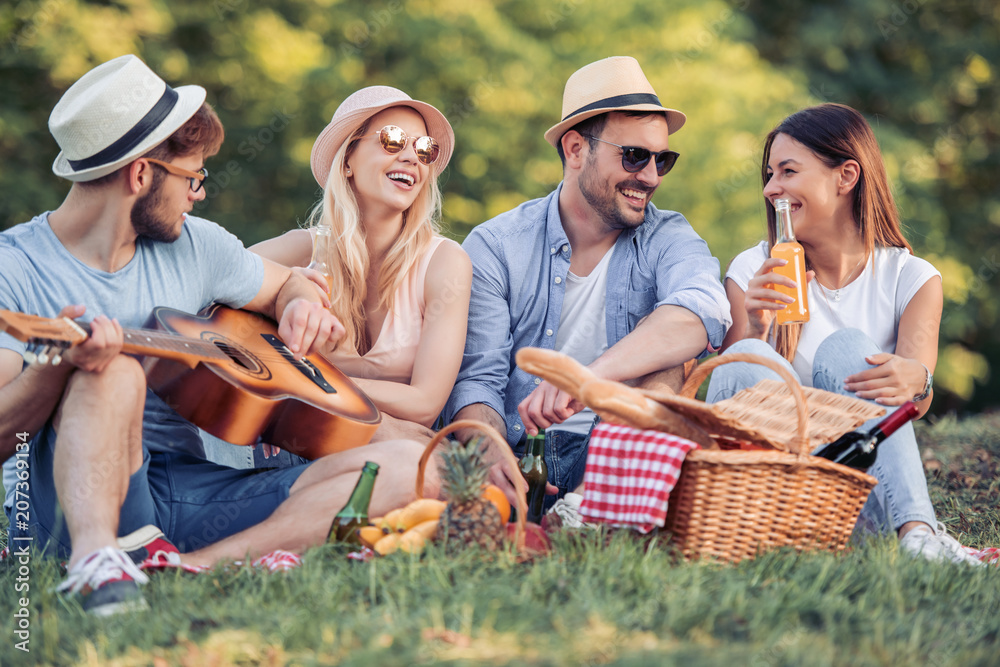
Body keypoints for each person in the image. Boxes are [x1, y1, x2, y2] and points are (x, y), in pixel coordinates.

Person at [0, 55, 438, 617]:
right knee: (109, 371)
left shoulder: (196, 244)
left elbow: (285, 287)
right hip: (62, 503)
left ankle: (191, 567)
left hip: (185, 492)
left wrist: (302, 306)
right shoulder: (16, 266)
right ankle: (97, 564)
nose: (199, 194)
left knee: (401, 465)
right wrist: (58, 367)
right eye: (193, 177)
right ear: (140, 175)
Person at [443, 56, 731, 521]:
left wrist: (586, 379)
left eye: (664, 159)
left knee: (668, 361)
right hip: (521, 453)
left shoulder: (670, 237)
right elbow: (478, 379)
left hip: (616, 451)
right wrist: (489, 456)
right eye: (635, 156)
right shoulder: (496, 245)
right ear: (576, 149)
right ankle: (561, 516)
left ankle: (593, 506)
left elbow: (700, 314)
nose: (652, 177)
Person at [707, 102, 982, 566]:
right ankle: (898, 534)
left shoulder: (910, 279)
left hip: (859, 502)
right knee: (750, 353)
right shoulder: (755, 269)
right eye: (770, 173)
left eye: (788, 171)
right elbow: (725, 392)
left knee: (848, 348)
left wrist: (918, 378)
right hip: (770, 499)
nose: (772, 187)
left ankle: (916, 534)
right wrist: (755, 328)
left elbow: (915, 396)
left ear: (846, 176)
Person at [251, 86, 471, 444]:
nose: (412, 158)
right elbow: (216, 274)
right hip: (299, 446)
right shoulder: (303, 248)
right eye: (393, 140)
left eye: (424, 149)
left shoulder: (445, 263)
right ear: (348, 160)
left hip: (395, 460)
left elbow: (425, 404)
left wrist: (303, 378)